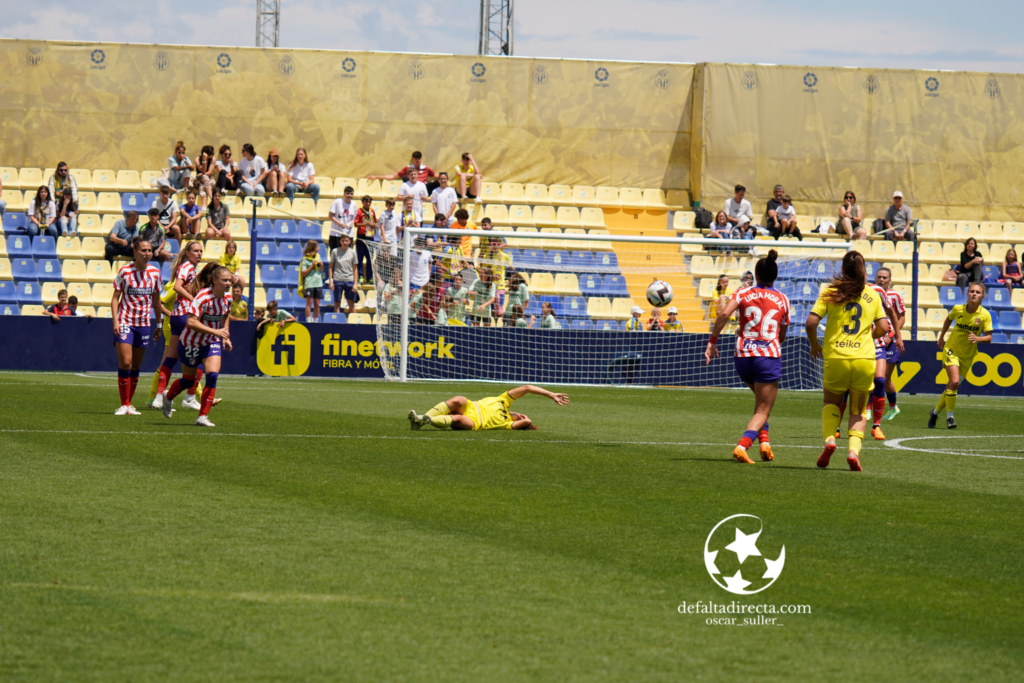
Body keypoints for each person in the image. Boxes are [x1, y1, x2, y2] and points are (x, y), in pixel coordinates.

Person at [805, 251, 890, 472]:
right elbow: (884, 328)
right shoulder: (872, 294)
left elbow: (811, 322)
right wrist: (868, 336)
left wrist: (814, 345)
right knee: (858, 411)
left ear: (842, 270)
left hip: (836, 358)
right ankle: (853, 452)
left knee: (831, 403)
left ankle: (830, 440)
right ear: (863, 270)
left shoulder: (831, 292)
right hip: (864, 360)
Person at [705, 249, 789, 463]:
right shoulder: (783, 299)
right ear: (775, 275)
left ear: (756, 274)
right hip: (767, 357)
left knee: (761, 405)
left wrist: (712, 341)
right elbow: (781, 335)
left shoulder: (742, 292)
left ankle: (765, 443)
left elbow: (724, 313)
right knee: (763, 409)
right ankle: (742, 446)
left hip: (743, 357)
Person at [160, 265, 233, 427]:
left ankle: (202, 417)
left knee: (212, 375)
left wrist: (225, 334)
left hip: (211, 342)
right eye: (224, 280)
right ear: (214, 280)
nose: (228, 283)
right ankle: (168, 396)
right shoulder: (202, 297)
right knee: (188, 381)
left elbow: (225, 314)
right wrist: (216, 331)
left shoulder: (228, 298)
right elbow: (191, 322)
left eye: (229, 280)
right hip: (190, 343)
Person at [929, 283, 993, 430]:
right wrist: (941, 337)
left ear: (982, 296)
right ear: (967, 294)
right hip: (952, 349)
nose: (974, 294)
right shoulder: (958, 309)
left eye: (978, 292)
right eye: (972, 291)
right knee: (955, 381)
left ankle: (935, 412)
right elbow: (948, 319)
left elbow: (989, 337)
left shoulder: (985, 315)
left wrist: (978, 338)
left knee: (952, 386)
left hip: (968, 355)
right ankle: (950, 418)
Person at [111, 237, 163, 415]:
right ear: (135, 252)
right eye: (143, 250)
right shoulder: (125, 271)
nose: (147, 253)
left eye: (149, 250)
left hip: (144, 323)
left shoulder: (155, 273)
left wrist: (159, 324)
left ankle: (129, 405)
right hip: (125, 321)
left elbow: (157, 302)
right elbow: (115, 298)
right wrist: (115, 321)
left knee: (135, 365)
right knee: (126, 362)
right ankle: (124, 404)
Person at [151, 241, 205, 412]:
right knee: (200, 355)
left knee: (170, 358)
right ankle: (190, 397)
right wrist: (194, 300)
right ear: (187, 253)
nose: (199, 254)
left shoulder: (189, 268)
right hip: (184, 316)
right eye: (195, 251)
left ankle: (158, 397)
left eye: (201, 251)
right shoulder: (187, 266)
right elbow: (177, 287)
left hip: (176, 316)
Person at [407, 384, 569, 431]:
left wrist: (526, 420)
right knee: (458, 399)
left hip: (475, 422)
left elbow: (527, 422)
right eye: (522, 415)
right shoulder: (504, 400)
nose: (521, 416)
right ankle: (419, 419)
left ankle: (425, 420)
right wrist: (551, 394)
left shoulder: (507, 424)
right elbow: (527, 388)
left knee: (456, 419)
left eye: (522, 418)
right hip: (471, 406)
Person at [874, 268, 907, 423]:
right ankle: (868, 409)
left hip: (890, 341)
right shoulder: (871, 294)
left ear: (890, 280)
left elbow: (901, 318)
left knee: (885, 378)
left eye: (884, 277)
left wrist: (891, 335)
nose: (881, 280)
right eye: (879, 277)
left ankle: (893, 407)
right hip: (874, 339)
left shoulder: (895, 296)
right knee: (872, 376)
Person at [367, 151, 436, 186]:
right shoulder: (408, 168)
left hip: (423, 187)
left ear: (421, 159)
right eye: (416, 158)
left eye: (419, 158)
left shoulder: (426, 169)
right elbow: (393, 176)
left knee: (437, 182)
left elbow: (438, 176)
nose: (418, 160)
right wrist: (376, 177)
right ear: (413, 159)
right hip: (412, 187)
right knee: (405, 177)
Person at [329, 234, 358, 316]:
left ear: (349, 242)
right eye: (343, 241)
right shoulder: (334, 251)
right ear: (340, 242)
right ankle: (337, 322)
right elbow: (331, 267)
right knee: (337, 303)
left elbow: (355, 269)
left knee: (351, 303)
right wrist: (331, 281)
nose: (345, 242)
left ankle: (353, 322)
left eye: (346, 241)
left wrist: (355, 284)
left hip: (349, 280)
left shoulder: (353, 252)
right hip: (338, 280)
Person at [299, 239, 324, 323]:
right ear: (312, 248)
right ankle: (308, 321)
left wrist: (321, 265)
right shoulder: (305, 259)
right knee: (309, 304)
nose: (318, 248)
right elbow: (303, 273)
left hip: (318, 283)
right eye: (316, 247)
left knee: (317, 304)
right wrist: (312, 265)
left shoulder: (318, 256)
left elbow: (321, 270)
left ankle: (316, 321)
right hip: (309, 283)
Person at [354, 195, 377, 284]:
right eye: (366, 202)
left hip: (370, 237)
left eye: (369, 202)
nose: (368, 203)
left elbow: (375, 223)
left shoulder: (372, 211)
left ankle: (369, 277)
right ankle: (360, 276)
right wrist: (366, 224)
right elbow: (356, 224)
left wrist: (374, 225)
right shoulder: (359, 211)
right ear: (362, 202)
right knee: (359, 259)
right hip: (361, 237)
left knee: (370, 258)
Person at [327, 185, 358, 252]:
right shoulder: (337, 202)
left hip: (348, 234)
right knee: (335, 253)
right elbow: (330, 215)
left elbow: (354, 217)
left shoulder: (354, 204)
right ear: (344, 194)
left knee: (347, 254)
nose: (349, 195)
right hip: (336, 233)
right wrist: (340, 224)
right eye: (347, 193)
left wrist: (352, 223)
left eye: (351, 194)